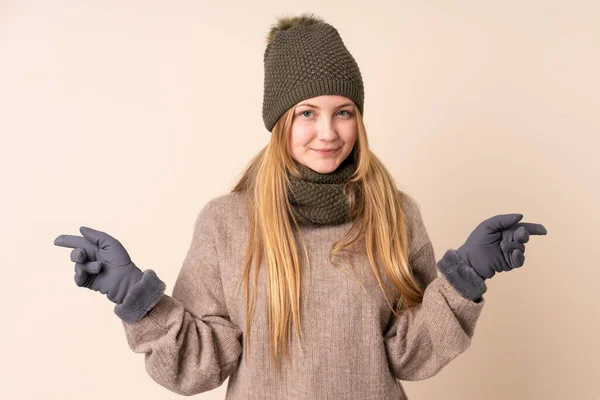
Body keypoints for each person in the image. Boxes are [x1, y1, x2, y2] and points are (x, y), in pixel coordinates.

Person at [53, 12, 548, 399]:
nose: (328, 133)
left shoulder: (394, 214)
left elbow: (409, 357)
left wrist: (466, 277)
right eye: (306, 113)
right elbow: (197, 367)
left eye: (344, 113)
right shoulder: (227, 222)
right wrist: (137, 299)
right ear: (279, 122)